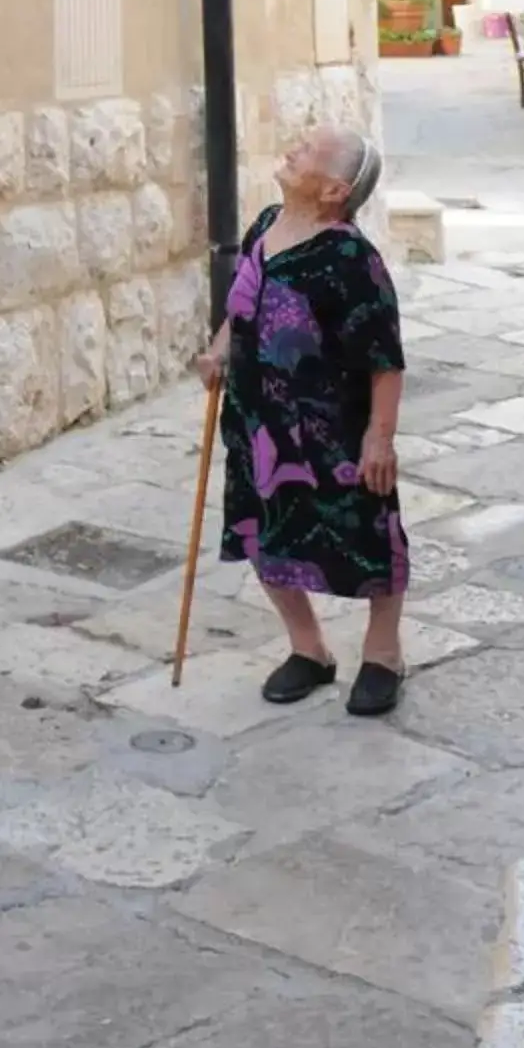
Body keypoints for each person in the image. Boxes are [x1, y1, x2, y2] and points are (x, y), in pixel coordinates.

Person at [198, 125, 408, 716]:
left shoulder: (351, 258)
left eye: (309, 152)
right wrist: (218, 353)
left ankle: (383, 653)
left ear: (336, 189)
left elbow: (385, 358)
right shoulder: (265, 225)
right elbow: (241, 307)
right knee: (261, 528)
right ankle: (308, 649)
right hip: (256, 422)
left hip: (331, 428)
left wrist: (379, 437)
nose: (292, 149)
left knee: (368, 535)